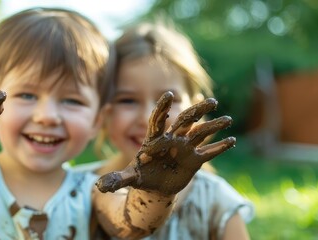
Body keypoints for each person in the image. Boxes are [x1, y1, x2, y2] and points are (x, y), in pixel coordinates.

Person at [0, 8, 236, 240]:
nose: (47, 115)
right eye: (26, 95)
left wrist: (157, 191)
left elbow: (133, 223)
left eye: (72, 101)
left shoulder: (92, 191)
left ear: (97, 119)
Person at [72, 22, 255, 239]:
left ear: (194, 107)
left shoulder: (216, 200)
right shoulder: (75, 187)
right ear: (104, 110)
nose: (149, 117)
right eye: (127, 100)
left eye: (169, 100)